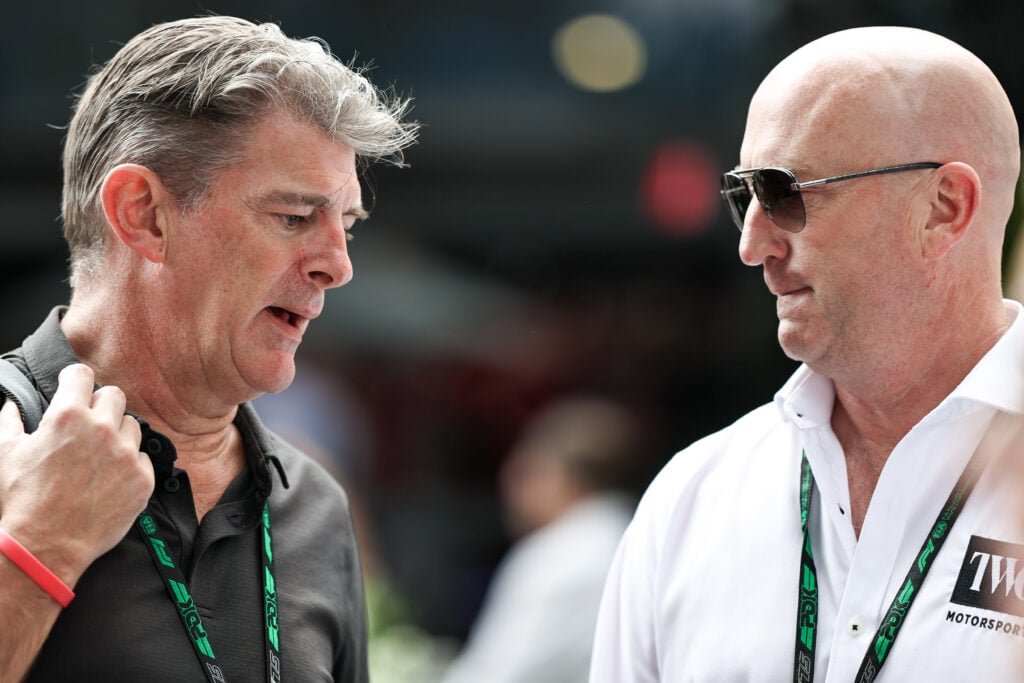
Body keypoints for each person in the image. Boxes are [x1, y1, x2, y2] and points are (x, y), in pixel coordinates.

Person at [591, 26, 1024, 682]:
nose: (752, 246)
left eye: (784, 193)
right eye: (745, 197)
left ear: (944, 208)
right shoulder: (693, 497)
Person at [0, 16, 416, 682]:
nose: (339, 266)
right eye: (294, 216)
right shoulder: (9, 441)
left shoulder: (314, 504)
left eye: (347, 224)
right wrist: (37, 544)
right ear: (143, 214)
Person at [443, 396, 646, 683]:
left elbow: (497, 676)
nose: (510, 484)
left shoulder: (561, 553)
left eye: (526, 471)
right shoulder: (636, 538)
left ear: (559, 476)